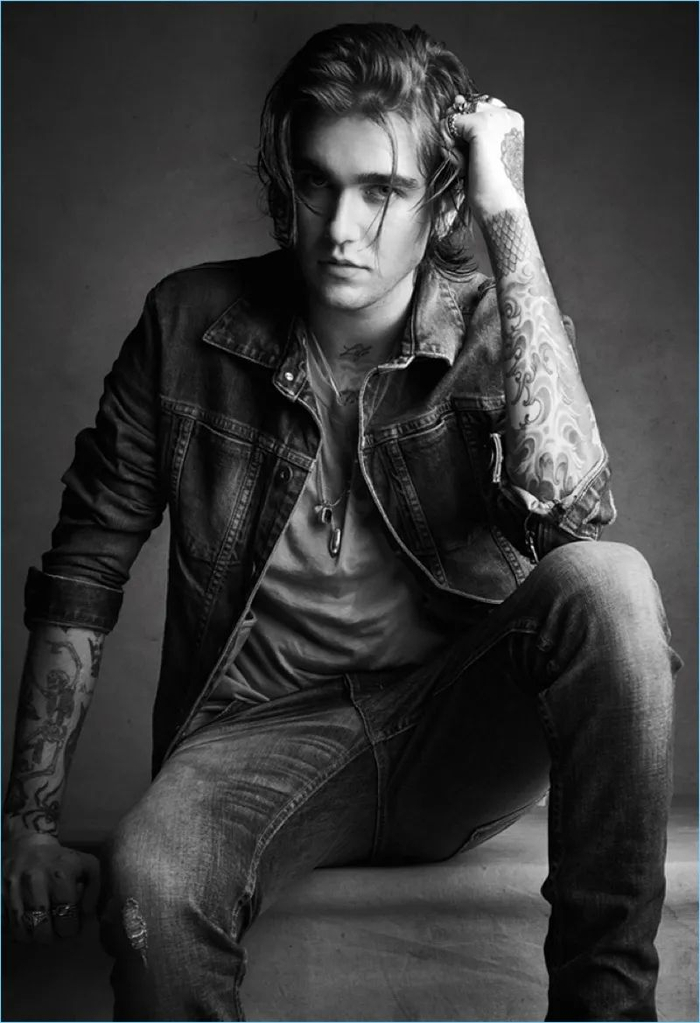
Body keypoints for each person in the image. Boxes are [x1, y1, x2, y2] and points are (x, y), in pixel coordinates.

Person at [3, 21, 680, 1022]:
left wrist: (506, 212)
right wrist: (28, 824)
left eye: (382, 191)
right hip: (253, 738)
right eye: (318, 183)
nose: (339, 228)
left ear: (439, 200)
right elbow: (85, 565)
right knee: (152, 882)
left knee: (610, 580)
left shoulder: (494, 321)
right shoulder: (187, 326)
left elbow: (572, 510)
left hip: (451, 732)